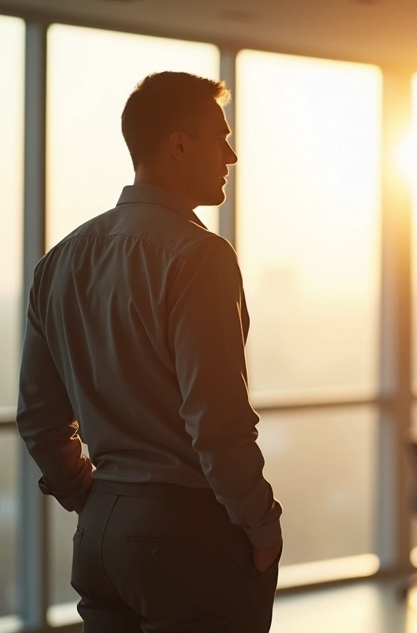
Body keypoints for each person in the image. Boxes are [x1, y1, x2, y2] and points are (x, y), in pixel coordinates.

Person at [16, 72, 282, 632]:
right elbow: (217, 424)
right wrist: (262, 526)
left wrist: (87, 494)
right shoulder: (199, 256)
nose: (231, 156)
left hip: (98, 534)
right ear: (179, 145)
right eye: (220, 138)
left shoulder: (60, 261)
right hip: (187, 534)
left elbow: (40, 419)